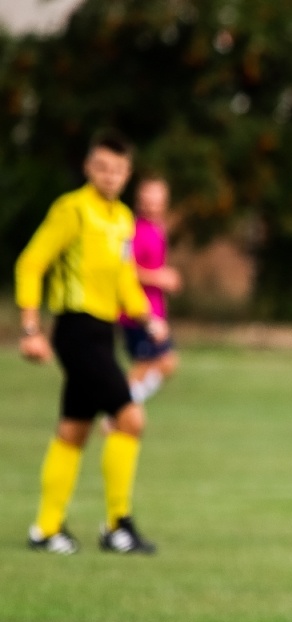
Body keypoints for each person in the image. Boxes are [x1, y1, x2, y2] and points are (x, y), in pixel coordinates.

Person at [17, 130, 167, 555]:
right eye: (101, 167)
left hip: (103, 331)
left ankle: (46, 529)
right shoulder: (72, 210)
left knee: (73, 430)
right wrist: (31, 329)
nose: (109, 176)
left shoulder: (122, 220)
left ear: (127, 174)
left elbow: (124, 278)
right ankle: (118, 526)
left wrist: (147, 317)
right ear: (88, 168)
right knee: (130, 419)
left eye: (117, 169)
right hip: (76, 330)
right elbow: (31, 263)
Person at [121, 176, 182, 404]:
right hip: (137, 311)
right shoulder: (135, 230)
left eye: (157, 198)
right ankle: (119, 409)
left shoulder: (158, 229)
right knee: (149, 364)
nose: (152, 203)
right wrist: (159, 277)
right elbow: (125, 270)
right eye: (148, 198)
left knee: (164, 363)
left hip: (154, 310)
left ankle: (122, 407)